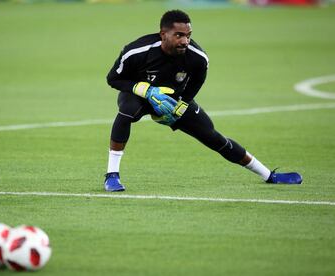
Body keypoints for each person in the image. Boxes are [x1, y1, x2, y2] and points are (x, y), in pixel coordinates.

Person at [104, 10, 302, 192]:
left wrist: (181, 105)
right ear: (163, 34)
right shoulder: (137, 51)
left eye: (188, 35)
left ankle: (269, 175)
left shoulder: (197, 58)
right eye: (179, 35)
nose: (185, 41)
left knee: (213, 136)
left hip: (175, 101)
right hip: (139, 94)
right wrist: (146, 90)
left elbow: (198, 81)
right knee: (126, 112)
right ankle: (112, 176)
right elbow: (113, 78)